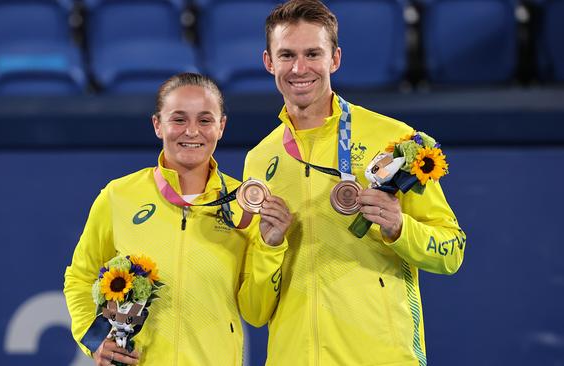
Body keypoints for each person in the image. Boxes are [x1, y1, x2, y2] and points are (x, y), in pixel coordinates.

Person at [242, 1, 467, 365]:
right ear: (269, 62)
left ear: (335, 59)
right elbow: (254, 310)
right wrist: (269, 247)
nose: (300, 68)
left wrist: (399, 227)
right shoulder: (260, 159)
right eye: (287, 55)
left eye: (313, 53)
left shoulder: (397, 140)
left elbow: (452, 251)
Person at [64, 73, 292, 365]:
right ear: (158, 124)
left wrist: (271, 247)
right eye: (179, 119)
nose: (192, 132)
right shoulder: (118, 196)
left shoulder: (244, 204)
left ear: (221, 126)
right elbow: (79, 277)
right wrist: (95, 339)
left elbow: (256, 312)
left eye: (205, 120)